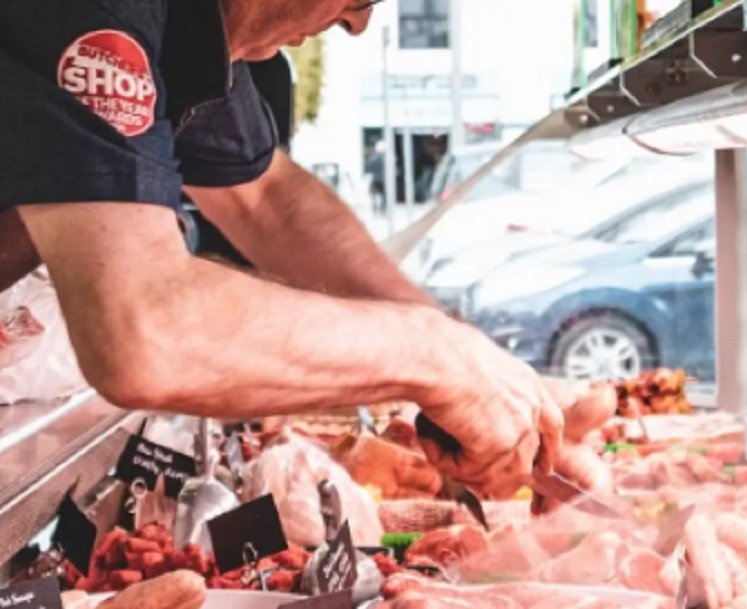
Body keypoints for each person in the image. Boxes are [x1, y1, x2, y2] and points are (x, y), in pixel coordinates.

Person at [0, 0, 612, 500]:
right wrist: (436, 358)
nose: (356, 22)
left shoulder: (195, 32)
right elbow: (144, 333)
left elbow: (267, 199)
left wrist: (486, 372)